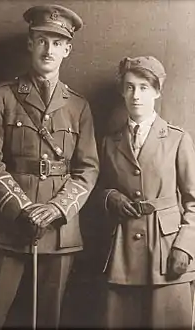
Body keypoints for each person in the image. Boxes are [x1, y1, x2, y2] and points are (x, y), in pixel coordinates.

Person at [0, 4, 99, 329]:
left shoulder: (78, 107)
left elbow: (87, 170)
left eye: (57, 43)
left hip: (58, 231)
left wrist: (58, 208)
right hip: (7, 225)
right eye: (42, 40)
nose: (49, 49)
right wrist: (22, 208)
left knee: (49, 319)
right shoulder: (1, 97)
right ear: (30, 43)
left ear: (67, 50)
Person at [98, 56, 195, 329]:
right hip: (122, 255)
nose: (135, 95)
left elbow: (193, 200)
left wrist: (185, 246)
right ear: (122, 92)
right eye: (129, 87)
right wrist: (111, 197)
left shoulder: (177, 139)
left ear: (156, 92)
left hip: (166, 254)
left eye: (143, 87)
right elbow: (100, 188)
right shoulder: (109, 142)